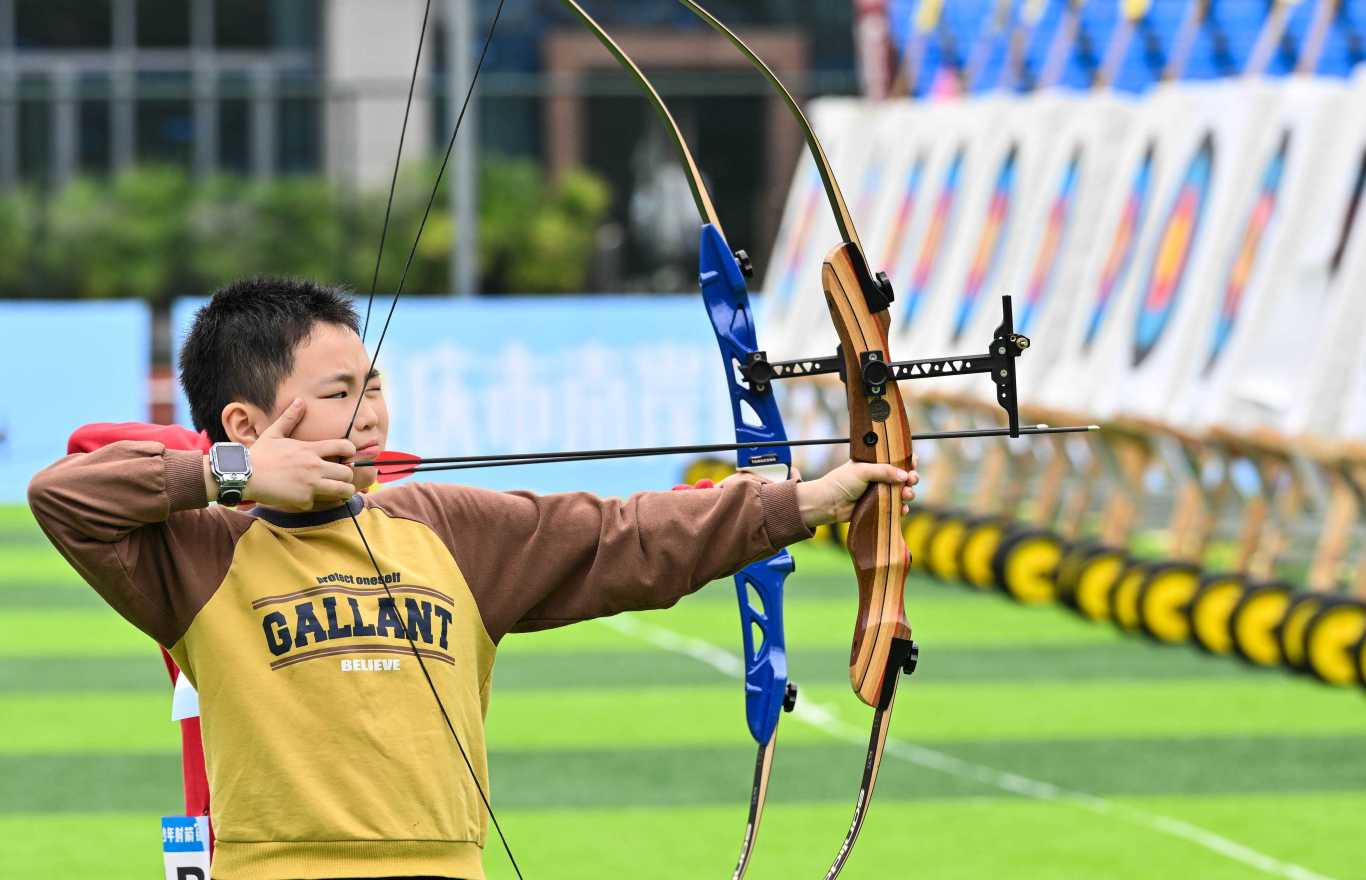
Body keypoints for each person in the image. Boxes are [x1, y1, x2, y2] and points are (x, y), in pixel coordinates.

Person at [28, 277, 918, 880]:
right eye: (339, 393)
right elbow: (64, 494)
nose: (370, 412)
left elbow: (624, 536)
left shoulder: (445, 528)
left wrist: (803, 502)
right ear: (243, 420)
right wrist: (236, 476)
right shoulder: (197, 553)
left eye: (375, 386)